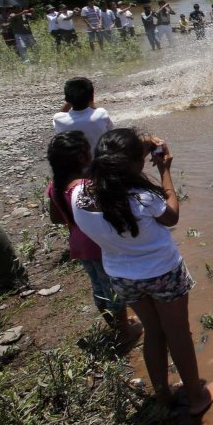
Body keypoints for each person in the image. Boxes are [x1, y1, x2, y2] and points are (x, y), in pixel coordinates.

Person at [71, 129, 213, 414]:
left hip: (122, 276)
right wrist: (165, 170)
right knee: (178, 333)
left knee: (154, 331)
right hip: (161, 272)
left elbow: (117, 167)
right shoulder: (141, 197)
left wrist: (142, 147)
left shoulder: (80, 195)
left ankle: (163, 395)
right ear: (133, 164)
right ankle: (196, 397)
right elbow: (172, 215)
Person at [47, 132, 142, 346]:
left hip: (79, 246)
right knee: (112, 290)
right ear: (82, 156)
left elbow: (55, 218)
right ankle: (124, 333)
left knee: (98, 288)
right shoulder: (85, 187)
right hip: (97, 245)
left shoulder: (56, 185)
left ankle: (117, 326)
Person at [53, 77, 114, 149]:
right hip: (99, 158)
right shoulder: (101, 114)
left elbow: (61, 114)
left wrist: (70, 100)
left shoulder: (59, 119)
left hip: (75, 159)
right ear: (92, 97)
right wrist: (90, 100)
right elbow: (110, 130)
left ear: (67, 99)